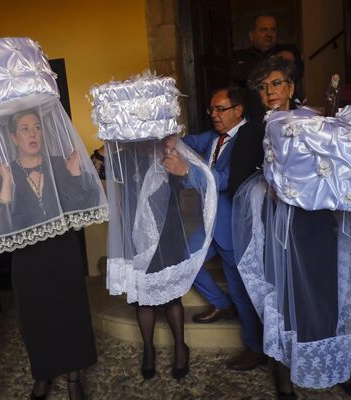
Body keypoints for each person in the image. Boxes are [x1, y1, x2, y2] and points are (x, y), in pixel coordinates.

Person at [234, 57, 351, 399]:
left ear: (292, 87)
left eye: (276, 83)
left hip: (318, 223)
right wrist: (268, 185)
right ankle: (284, 377)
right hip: (278, 227)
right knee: (283, 298)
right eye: (262, 87)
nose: (270, 93)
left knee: (328, 294)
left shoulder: (316, 120)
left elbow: (338, 164)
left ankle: (337, 368)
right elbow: (237, 182)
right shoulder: (253, 129)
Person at [0, 37, 109, 400]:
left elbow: (81, 212)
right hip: (28, 262)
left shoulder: (61, 164)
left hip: (62, 254)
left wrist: (76, 175)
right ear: (13, 137)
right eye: (24, 129)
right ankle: (43, 374)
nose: (32, 134)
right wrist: (4, 187)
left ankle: (75, 380)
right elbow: (3, 222)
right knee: (36, 321)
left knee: (71, 316)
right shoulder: (7, 172)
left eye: (36, 127)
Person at [90, 72, 217, 382]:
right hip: (133, 232)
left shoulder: (167, 150)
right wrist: (108, 142)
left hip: (166, 232)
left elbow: (189, 180)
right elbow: (94, 171)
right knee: (141, 297)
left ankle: (179, 346)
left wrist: (174, 152)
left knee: (171, 297)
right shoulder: (122, 153)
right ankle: (148, 348)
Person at [163, 86, 265, 371]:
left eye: (221, 109)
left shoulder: (247, 138)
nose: (215, 115)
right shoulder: (213, 137)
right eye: (212, 109)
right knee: (183, 260)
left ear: (238, 110)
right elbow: (188, 142)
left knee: (243, 290)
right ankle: (221, 303)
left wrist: (187, 170)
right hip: (205, 221)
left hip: (232, 226)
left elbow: (225, 180)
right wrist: (171, 139)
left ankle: (255, 348)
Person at [230, 13, 304, 115]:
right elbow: (238, 74)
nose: (269, 34)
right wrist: (276, 59)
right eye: (264, 30)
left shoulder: (289, 50)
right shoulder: (240, 56)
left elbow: (298, 73)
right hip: (253, 114)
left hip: (287, 115)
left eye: (272, 30)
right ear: (251, 35)